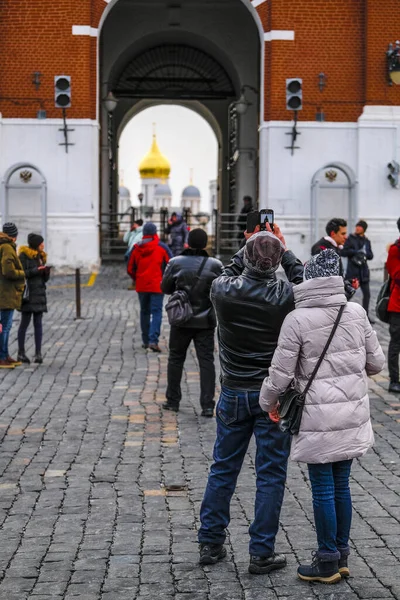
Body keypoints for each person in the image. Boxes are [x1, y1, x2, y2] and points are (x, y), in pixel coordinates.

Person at [260, 250, 385, 584]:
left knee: (323, 490)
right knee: (342, 485)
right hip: (351, 414)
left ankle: (327, 560)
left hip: (316, 417)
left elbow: (280, 375)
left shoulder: (297, 320)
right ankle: (341, 556)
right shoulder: (356, 312)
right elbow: (377, 364)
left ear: (310, 279)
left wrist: (266, 401)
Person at [198, 225, 304, 574]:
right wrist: (283, 249)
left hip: (233, 391)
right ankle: (261, 552)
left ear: (244, 259)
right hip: (271, 395)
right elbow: (306, 282)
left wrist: (249, 246)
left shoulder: (223, 291)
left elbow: (229, 270)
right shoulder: (286, 295)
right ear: (276, 263)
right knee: (271, 474)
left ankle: (210, 542)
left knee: (223, 468)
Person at [161, 228, 223, 416]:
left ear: (188, 242)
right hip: (205, 321)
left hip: (181, 319)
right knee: (206, 362)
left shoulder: (175, 262)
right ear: (205, 244)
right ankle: (207, 405)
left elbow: (165, 287)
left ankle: (173, 401)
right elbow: (222, 291)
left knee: (175, 359)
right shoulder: (215, 265)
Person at [127, 222, 172, 353]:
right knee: (156, 312)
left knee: (144, 312)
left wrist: (137, 278)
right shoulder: (162, 248)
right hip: (157, 285)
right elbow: (171, 263)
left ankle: (146, 340)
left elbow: (130, 268)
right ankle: (153, 341)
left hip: (142, 285)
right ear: (155, 233)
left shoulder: (136, 248)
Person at [17, 234, 50, 364]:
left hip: (39, 294)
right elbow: (23, 274)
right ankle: (21, 352)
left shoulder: (41, 256)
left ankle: (38, 353)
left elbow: (43, 279)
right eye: (41, 243)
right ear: (36, 244)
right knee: (24, 324)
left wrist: (45, 273)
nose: (43, 245)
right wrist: (37, 270)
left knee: (38, 324)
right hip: (28, 294)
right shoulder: (24, 256)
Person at [312, 218, 357, 300]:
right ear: (333, 233)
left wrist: (348, 282)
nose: (346, 237)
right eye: (343, 234)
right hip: (326, 298)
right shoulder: (322, 249)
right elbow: (326, 279)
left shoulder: (334, 247)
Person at [0, 223, 25, 369]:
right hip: (6, 293)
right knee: (5, 326)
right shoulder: (7, 247)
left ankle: (5, 354)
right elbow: (8, 271)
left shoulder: (3, 246)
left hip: (3, 292)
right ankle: (2, 357)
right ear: (14, 236)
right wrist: (22, 274)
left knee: (4, 325)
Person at [341, 220, 374, 319]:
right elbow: (343, 252)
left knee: (367, 295)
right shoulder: (350, 239)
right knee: (348, 294)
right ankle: (338, 312)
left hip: (364, 273)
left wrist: (364, 254)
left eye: (360, 227)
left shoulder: (366, 241)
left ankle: (365, 316)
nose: (357, 228)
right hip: (353, 273)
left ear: (364, 229)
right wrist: (356, 252)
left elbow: (371, 255)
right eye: (357, 226)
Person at [385, 217, 400, 393]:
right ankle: (394, 380)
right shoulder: (396, 250)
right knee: (395, 343)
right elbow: (396, 274)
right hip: (397, 306)